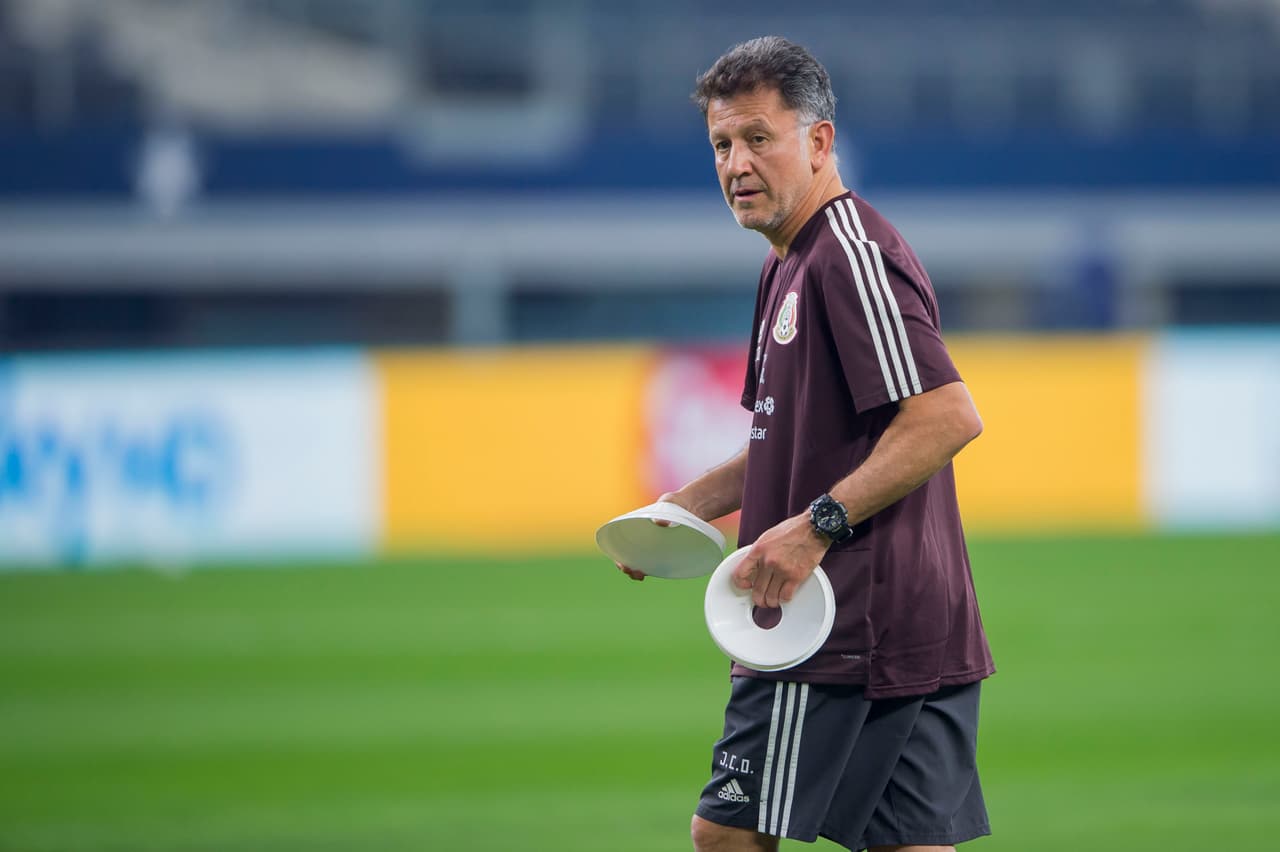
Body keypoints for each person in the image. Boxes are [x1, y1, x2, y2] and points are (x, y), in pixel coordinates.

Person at [617, 36, 996, 852]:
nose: (736, 163)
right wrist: (684, 508)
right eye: (722, 144)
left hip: (836, 621)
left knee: (727, 836)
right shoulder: (787, 262)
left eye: (759, 137)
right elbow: (787, 442)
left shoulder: (845, 256)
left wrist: (814, 527)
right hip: (906, 623)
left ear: (819, 142)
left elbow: (946, 415)